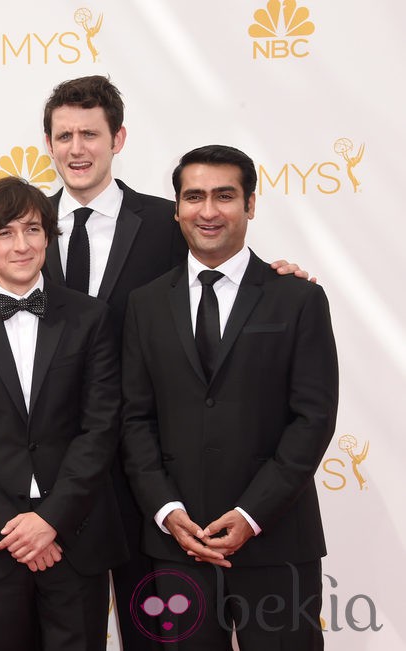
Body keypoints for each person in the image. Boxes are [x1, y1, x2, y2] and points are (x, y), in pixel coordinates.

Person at [40, 76, 308, 649]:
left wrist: (280, 278)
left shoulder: (172, 222)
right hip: (59, 477)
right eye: (65, 135)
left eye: (91, 133)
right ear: (48, 144)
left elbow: (227, 277)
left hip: (158, 484)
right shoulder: (21, 225)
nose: (78, 148)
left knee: (159, 638)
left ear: (119, 139)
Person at [120, 145, 338, 649]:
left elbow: (313, 419)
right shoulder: (145, 304)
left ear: (251, 205)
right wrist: (167, 509)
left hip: (277, 540)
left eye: (225, 195)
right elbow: (135, 418)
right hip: (179, 546)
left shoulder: (299, 298)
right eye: (194, 196)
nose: (209, 210)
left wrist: (250, 515)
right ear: (176, 209)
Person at [0, 177, 127, 650]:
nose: (21, 245)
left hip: (75, 536)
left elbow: (100, 427)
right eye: (5, 233)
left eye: (32, 230)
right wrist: (15, 529)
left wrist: (50, 520)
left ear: (47, 236)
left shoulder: (90, 317)